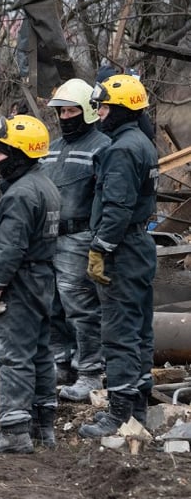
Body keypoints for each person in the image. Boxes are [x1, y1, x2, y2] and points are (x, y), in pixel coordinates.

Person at [0, 114, 61, 455]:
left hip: (20, 283)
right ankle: (43, 426)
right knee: (40, 353)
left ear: (22, 154)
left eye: (3, 151)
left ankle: (13, 430)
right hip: (42, 280)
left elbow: (10, 248)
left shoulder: (20, 195)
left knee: (13, 356)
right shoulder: (45, 185)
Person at [79, 74, 158, 438]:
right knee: (140, 329)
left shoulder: (122, 149)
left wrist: (100, 249)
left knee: (119, 332)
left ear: (124, 109)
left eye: (105, 106)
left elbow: (116, 206)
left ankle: (120, 415)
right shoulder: (141, 141)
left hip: (122, 250)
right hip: (140, 246)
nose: (100, 112)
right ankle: (138, 409)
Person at [41, 78, 111, 401]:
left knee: (80, 306)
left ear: (87, 111)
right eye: (61, 111)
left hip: (80, 236)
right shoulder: (52, 148)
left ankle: (90, 372)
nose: (65, 117)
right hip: (50, 236)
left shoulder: (102, 146)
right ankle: (61, 363)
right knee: (52, 304)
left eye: (71, 111)